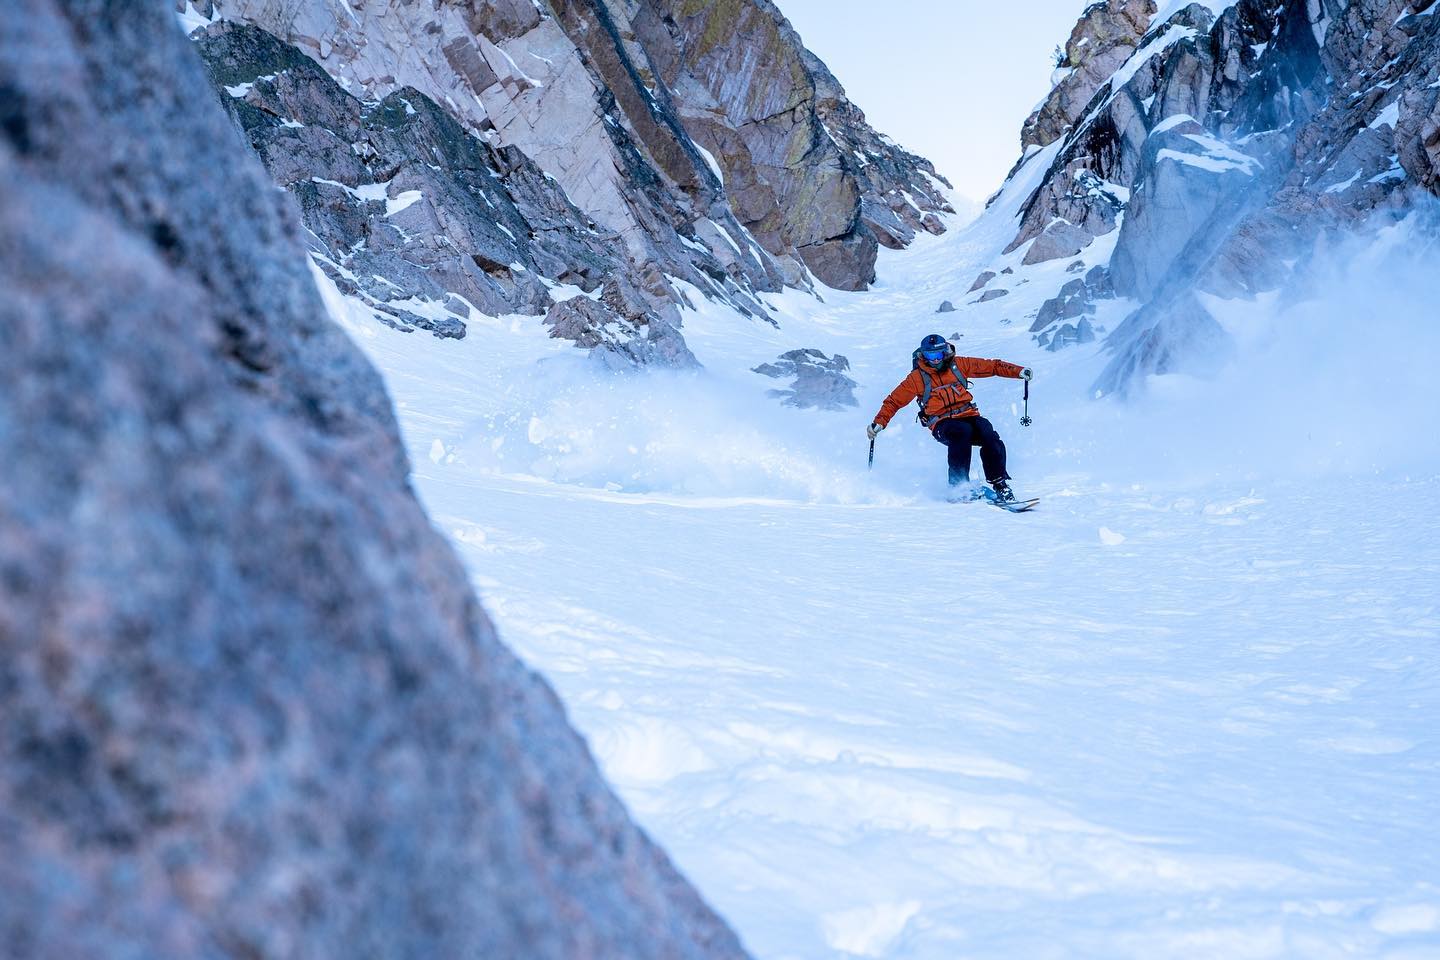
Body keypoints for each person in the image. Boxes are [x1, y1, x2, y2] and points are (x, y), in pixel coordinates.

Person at [867, 334, 1032, 501]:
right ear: (923, 355)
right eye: (930, 356)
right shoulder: (917, 378)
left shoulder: (958, 365)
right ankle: (958, 488)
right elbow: (894, 401)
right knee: (961, 432)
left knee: (987, 432)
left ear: (945, 351)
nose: (936, 360)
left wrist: (1018, 371)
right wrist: (879, 423)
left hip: (967, 414)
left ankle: (1000, 484)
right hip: (941, 423)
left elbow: (992, 366)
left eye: (939, 355)